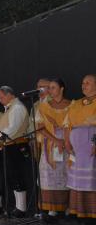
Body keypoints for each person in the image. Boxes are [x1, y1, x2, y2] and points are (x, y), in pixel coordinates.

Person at [0, 86, 31, 218]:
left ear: (10, 95)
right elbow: (6, 128)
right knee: (12, 176)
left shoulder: (17, 107)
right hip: (10, 145)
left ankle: (21, 208)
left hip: (17, 145)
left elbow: (13, 128)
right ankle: (18, 207)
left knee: (17, 175)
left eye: (1, 97)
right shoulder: (11, 108)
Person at [37, 78, 70, 217]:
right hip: (50, 144)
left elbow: (73, 124)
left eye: (53, 87)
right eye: (49, 88)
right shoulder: (44, 106)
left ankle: (67, 206)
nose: (50, 90)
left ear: (61, 89)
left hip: (67, 142)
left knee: (66, 174)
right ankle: (51, 208)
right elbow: (40, 127)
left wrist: (65, 140)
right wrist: (56, 140)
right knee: (49, 176)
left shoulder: (71, 105)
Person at [64, 74, 96, 219]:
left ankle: (92, 213)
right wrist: (67, 142)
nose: (84, 85)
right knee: (78, 179)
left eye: (88, 83)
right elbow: (67, 125)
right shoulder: (75, 104)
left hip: (91, 147)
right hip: (77, 149)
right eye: (83, 83)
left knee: (91, 179)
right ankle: (80, 212)